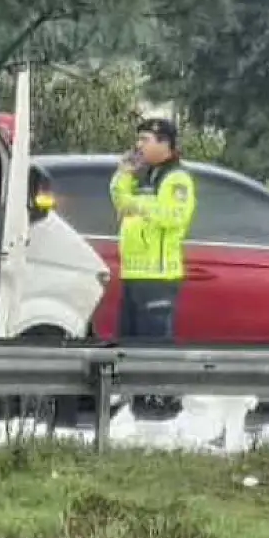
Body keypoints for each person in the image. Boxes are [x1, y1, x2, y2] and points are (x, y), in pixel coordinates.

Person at [109, 118, 196, 418]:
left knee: (154, 344)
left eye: (145, 140)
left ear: (164, 143)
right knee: (129, 342)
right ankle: (135, 402)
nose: (139, 146)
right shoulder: (144, 174)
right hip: (133, 271)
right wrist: (124, 174)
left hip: (158, 274)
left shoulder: (176, 178)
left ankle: (160, 404)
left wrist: (136, 204)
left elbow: (173, 216)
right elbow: (118, 199)